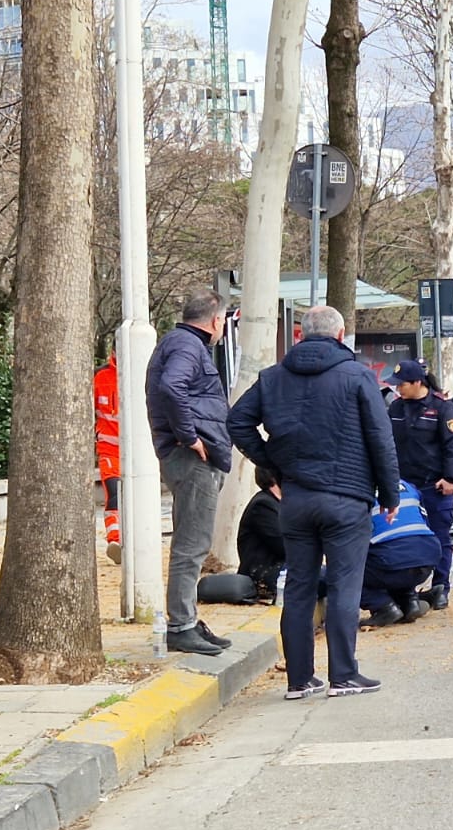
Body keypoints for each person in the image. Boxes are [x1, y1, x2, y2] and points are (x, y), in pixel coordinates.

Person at [228, 304, 401, 698]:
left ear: (300, 335)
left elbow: (237, 420)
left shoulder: (272, 378)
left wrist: (271, 464)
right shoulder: (358, 376)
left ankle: (299, 679)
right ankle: (343, 675)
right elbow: (381, 438)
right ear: (341, 336)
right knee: (343, 585)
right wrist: (390, 493)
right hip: (347, 498)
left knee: (301, 586)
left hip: (296, 499)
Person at [145, 287, 234, 655]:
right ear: (216, 320)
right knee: (192, 545)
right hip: (191, 458)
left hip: (191, 456)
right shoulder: (186, 346)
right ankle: (181, 626)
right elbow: (172, 387)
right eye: (224, 322)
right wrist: (191, 437)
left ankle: (188, 620)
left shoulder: (182, 343)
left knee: (192, 542)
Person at [385, 359, 453, 610]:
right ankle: (406, 590)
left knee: (440, 537)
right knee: (406, 538)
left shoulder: (442, 408)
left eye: (402, 385)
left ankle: (441, 587)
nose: (398, 389)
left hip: (434, 485)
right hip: (405, 488)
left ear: (417, 383)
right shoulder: (395, 408)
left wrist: (451, 477)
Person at [361, 480, 441, 628]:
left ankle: (382, 607)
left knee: (345, 574)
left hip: (393, 562)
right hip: (428, 557)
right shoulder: (409, 486)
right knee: (400, 552)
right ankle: (409, 602)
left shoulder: (358, 489)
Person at [237, 466, 286, 601]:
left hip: (283, 569)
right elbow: (284, 546)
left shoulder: (278, 504)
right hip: (264, 574)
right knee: (333, 576)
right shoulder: (263, 505)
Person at [93, 351, 122, 565]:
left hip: (136, 453)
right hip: (109, 449)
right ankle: (115, 539)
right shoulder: (100, 377)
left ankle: (130, 540)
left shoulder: (143, 373)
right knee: (114, 493)